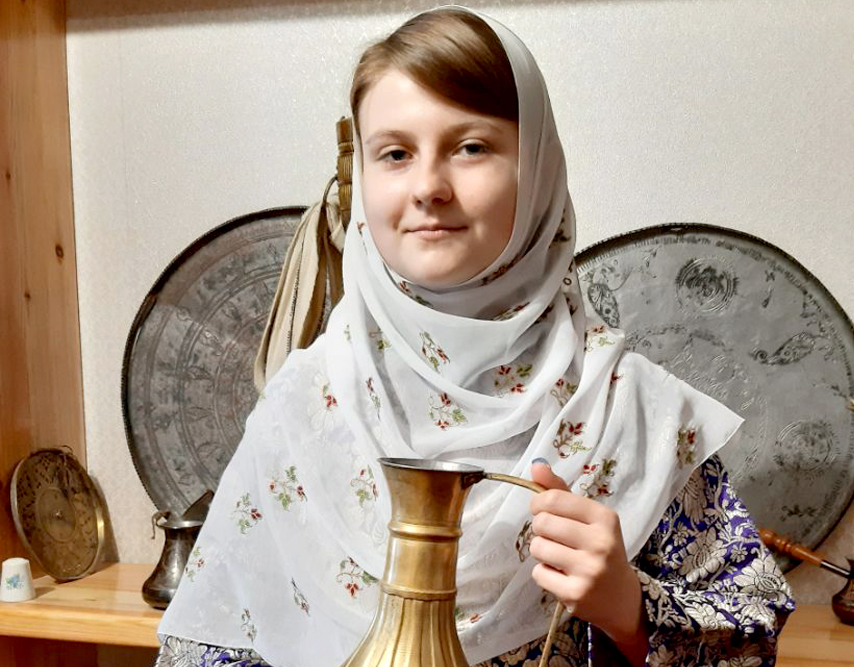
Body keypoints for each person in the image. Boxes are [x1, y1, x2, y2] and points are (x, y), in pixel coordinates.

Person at [155, 7, 795, 666]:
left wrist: (628, 607)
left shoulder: (632, 409)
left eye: (471, 148)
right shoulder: (305, 402)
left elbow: (751, 642)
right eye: (395, 154)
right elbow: (206, 644)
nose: (429, 188)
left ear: (537, 166)